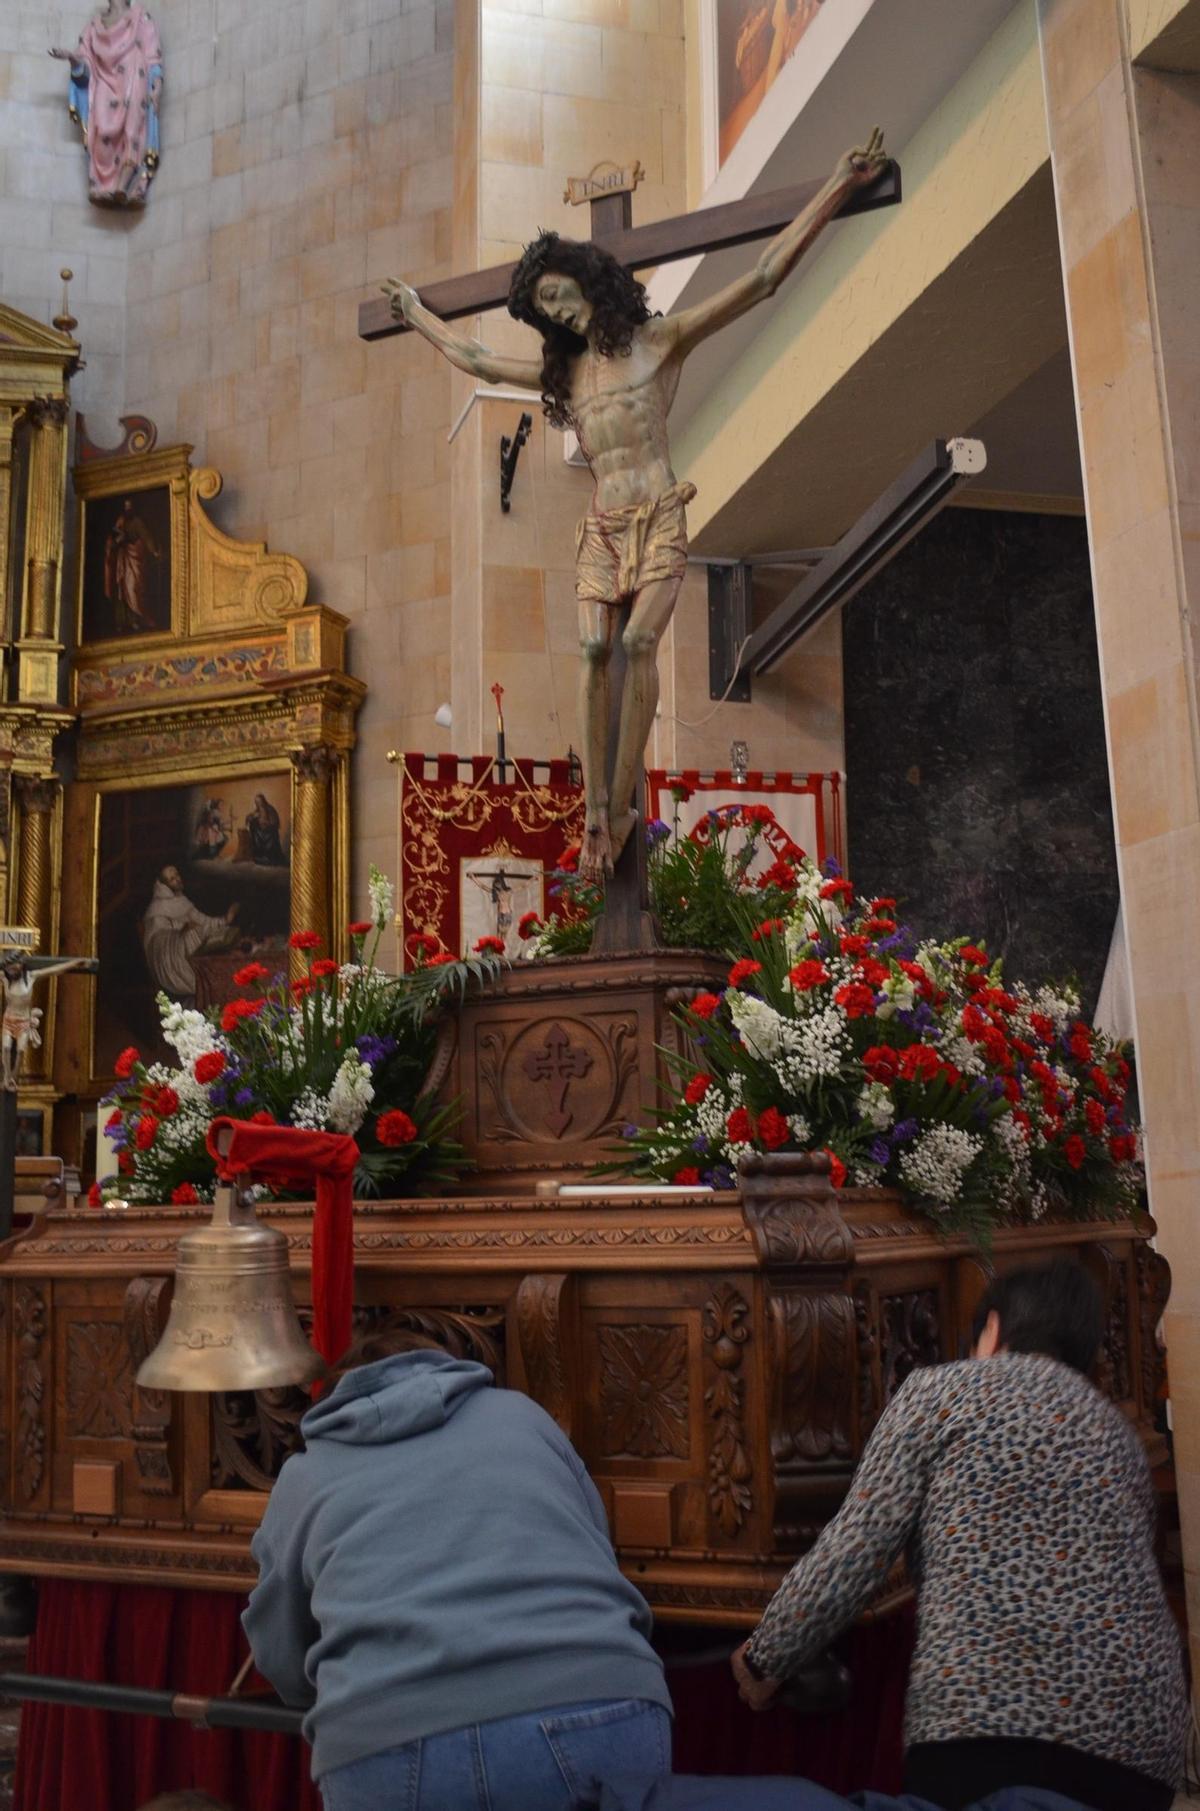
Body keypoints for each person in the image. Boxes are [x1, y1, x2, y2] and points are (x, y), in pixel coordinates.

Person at [384, 130, 886, 885]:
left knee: (637, 645)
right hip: (602, 528)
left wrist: (836, 188)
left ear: (589, 281)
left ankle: (618, 808)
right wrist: (418, 314)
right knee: (591, 651)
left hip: (658, 514)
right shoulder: (570, 375)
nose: (559, 310)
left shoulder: (660, 340)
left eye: (562, 292)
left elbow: (762, 276)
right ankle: (595, 813)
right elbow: (479, 360)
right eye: (546, 307)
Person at [731, 1261, 1187, 1811]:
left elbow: (854, 1552)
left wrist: (767, 1658)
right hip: (1141, 1745)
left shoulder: (942, 1394)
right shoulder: (1117, 1432)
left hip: (984, 1724)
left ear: (992, 1329)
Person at [243, 1329, 673, 1811]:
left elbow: (278, 1649)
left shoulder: (307, 1475)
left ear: (340, 1395)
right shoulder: (524, 1417)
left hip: (385, 1736)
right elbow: (597, 1544)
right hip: (596, 1701)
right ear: (448, 1366)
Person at [49, 1, 163, 207]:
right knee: (100, 127)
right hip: (104, 84)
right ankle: (104, 185)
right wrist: (72, 59)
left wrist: (156, 84)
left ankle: (123, 185)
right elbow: (84, 69)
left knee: (132, 131)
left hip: (134, 77)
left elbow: (152, 55)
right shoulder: (94, 27)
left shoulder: (140, 18)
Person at [140, 864, 238, 1004]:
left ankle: (209, 980)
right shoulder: (157, 908)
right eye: (172, 879)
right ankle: (199, 981)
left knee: (219, 934)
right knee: (192, 933)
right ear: (163, 885)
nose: (177, 880)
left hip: (183, 946)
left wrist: (225, 920)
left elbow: (203, 922)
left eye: (177, 875)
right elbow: (157, 938)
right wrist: (181, 931)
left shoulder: (182, 901)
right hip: (167, 957)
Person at [99, 496, 163, 630]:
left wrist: (154, 551)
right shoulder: (120, 521)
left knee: (134, 589)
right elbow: (113, 539)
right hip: (122, 560)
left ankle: (137, 619)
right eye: (126, 507)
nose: (127, 509)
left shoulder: (137, 522)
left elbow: (146, 537)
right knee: (122, 590)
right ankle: (123, 621)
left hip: (134, 560)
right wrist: (116, 541)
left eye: (130, 507)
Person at [245, 792, 285, 866]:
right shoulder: (257, 810)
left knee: (269, 836)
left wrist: (266, 823)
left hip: (270, 831)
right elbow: (250, 817)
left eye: (259, 801)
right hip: (260, 831)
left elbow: (275, 822)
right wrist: (251, 818)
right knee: (254, 828)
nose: (258, 803)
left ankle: (269, 858)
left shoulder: (270, 809)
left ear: (263, 801)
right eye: (257, 802)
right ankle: (259, 856)